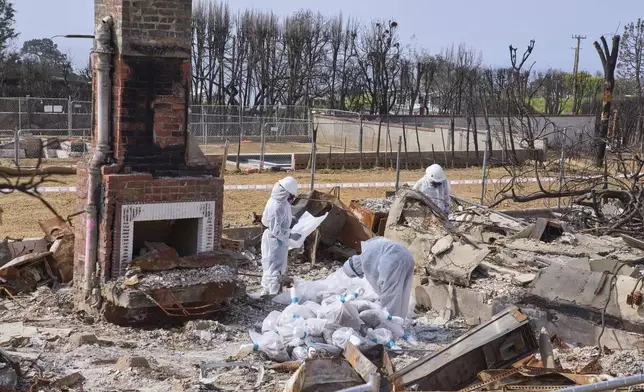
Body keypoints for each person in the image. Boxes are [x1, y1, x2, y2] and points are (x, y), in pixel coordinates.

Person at [341, 237, 414, 318]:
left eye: (355, 274)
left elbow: (378, 282)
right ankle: (398, 319)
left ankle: (389, 321)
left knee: (391, 292)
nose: (361, 274)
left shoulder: (366, 261)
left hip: (393, 260)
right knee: (402, 289)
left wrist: (381, 299)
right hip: (407, 255)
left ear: (354, 269)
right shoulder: (367, 248)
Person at [258, 176, 299, 296]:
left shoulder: (282, 202)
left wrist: (292, 220)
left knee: (278, 266)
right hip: (274, 240)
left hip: (280, 240)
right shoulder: (276, 205)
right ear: (285, 192)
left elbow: (285, 217)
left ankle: (270, 291)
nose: (292, 198)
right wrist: (289, 235)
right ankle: (272, 294)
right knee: (273, 266)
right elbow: (276, 229)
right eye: (291, 195)